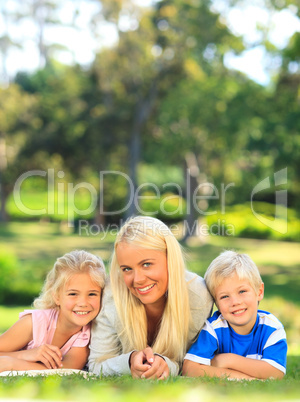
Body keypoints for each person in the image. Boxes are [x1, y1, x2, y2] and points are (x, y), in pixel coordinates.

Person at [88, 216, 213, 379]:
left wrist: (165, 364)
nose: (137, 279)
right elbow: (97, 364)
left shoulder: (198, 297)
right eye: (126, 269)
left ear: (170, 260)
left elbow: (191, 362)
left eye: (146, 264)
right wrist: (129, 361)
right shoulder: (112, 294)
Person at [182, 250, 287, 380]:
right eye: (224, 296)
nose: (235, 302)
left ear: (259, 291)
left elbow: (276, 372)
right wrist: (246, 379)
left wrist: (228, 360)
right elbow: (189, 369)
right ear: (216, 304)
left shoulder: (271, 327)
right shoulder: (214, 328)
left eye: (242, 291)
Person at [0, 250, 105, 373]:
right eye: (73, 294)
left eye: (92, 294)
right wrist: (26, 355)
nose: (83, 303)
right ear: (56, 296)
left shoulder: (88, 333)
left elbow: (68, 368)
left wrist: (13, 364)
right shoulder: (34, 324)